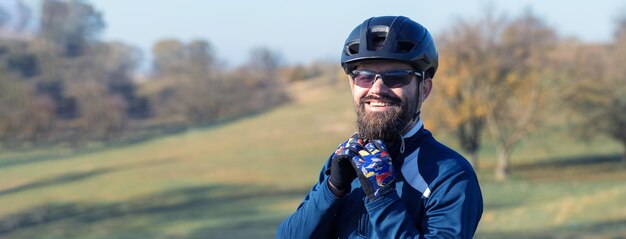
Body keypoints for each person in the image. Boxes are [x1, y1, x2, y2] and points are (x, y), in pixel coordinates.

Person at [277, 16, 483, 238]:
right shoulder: (344, 160)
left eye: (395, 77)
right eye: (364, 77)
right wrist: (332, 189)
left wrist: (383, 198)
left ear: (424, 89)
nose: (377, 89)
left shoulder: (450, 175)